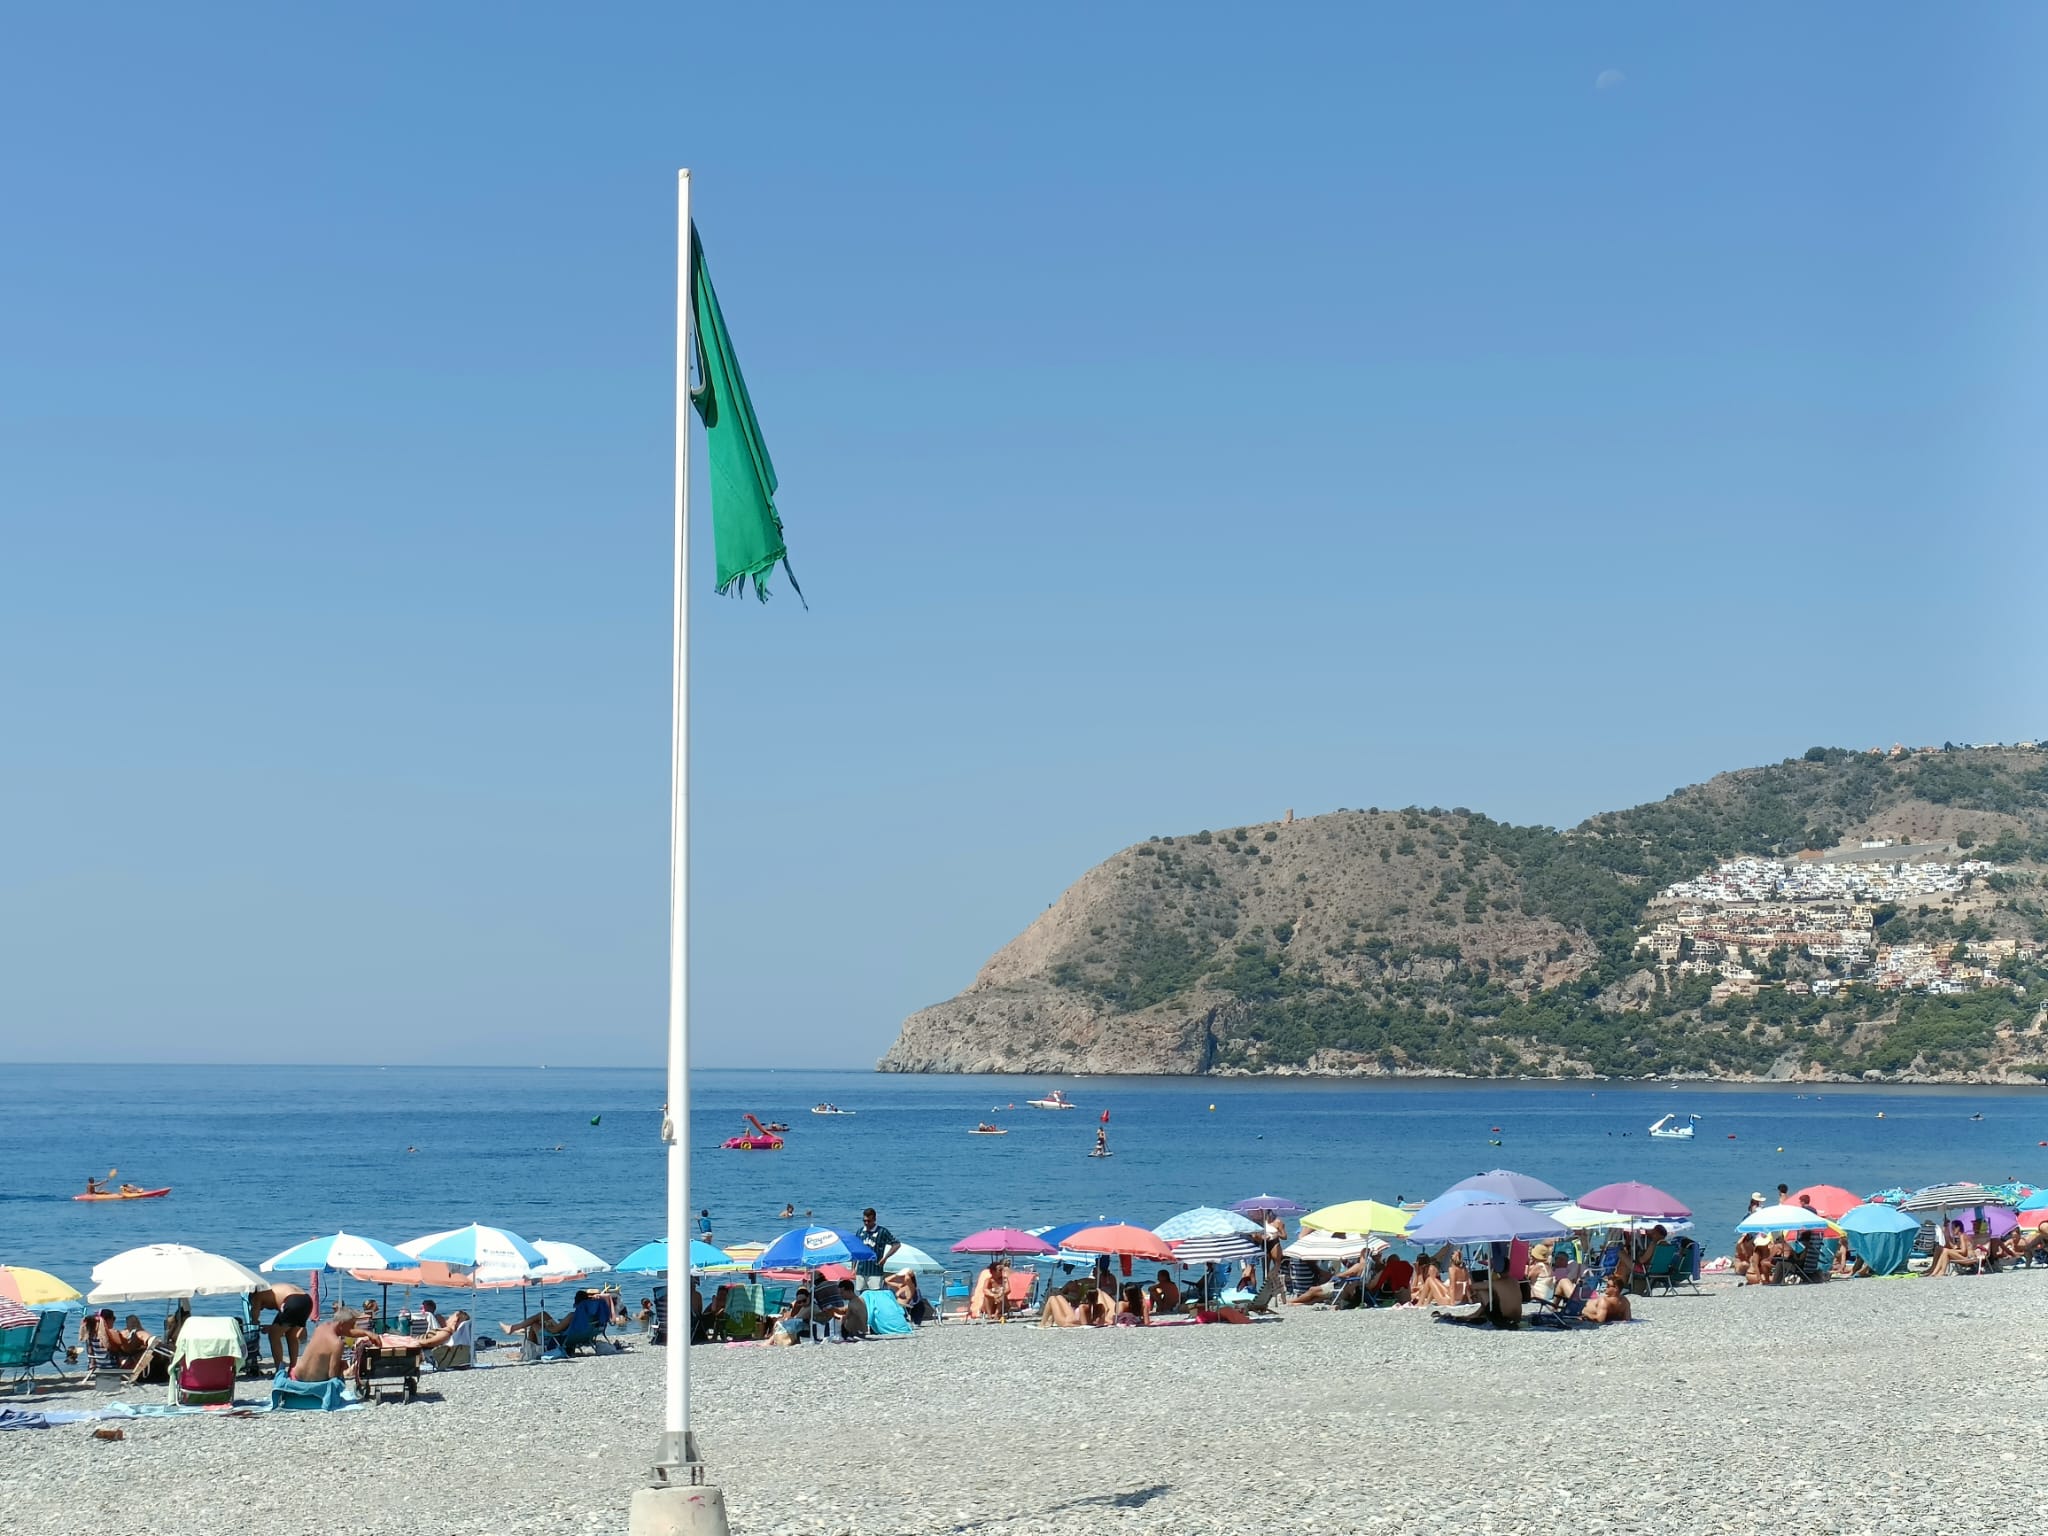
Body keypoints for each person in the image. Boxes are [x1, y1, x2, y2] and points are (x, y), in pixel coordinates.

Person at [291, 1306, 362, 1384]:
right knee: (343, 1365)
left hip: (296, 1376)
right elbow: (332, 1375)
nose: (352, 1328)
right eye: (352, 1325)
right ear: (342, 1324)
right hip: (313, 1383)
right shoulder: (337, 1343)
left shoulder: (321, 1328)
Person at [855, 1208, 900, 1290]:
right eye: (864, 1221)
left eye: (869, 1221)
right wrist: (853, 1268)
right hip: (861, 1271)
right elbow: (855, 1249)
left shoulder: (882, 1231)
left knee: (876, 1295)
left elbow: (896, 1244)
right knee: (862, 1297)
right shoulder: (860, 1232)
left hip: (875, 1271)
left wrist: (885, 1258)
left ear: (874, 1219)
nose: (866, 1223)